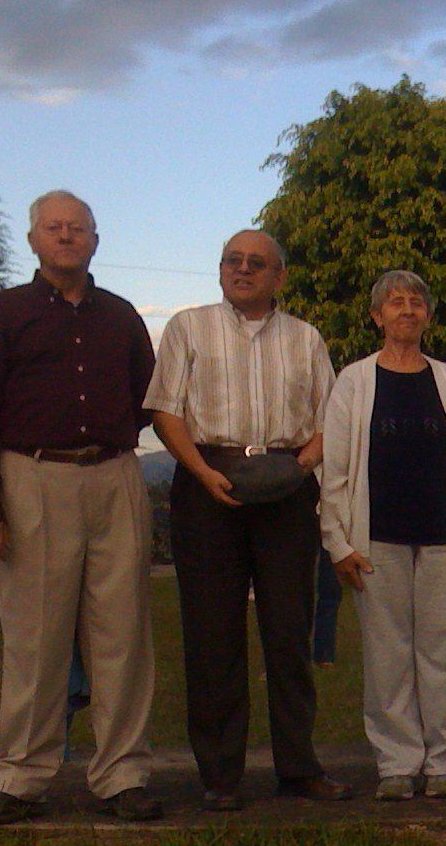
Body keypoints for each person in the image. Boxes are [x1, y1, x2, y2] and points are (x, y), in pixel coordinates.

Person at [0, 189, 161, 825]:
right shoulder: (4, 313)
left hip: (113, 476)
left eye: (78, 227)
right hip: (33, 478)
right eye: (54, 227)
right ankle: (21, 778)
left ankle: (123, 776)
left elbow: (147, 399)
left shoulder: (121, 317)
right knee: (35, 638)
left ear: (95, 240)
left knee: (123, 635)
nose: (67, 236)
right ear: (34, 240)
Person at [145, 229, 351, 810]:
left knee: (289, 633)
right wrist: (201, 472)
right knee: (212, 638)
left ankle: (299, 769)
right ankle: (220, 777)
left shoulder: (305, 338)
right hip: (208, 483)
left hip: (286, 488)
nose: (242, 269)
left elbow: (329, 416)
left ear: (278, 276)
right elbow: (165, 411)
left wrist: (300, 467)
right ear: (220, 270)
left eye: (256, 263)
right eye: (232, 260)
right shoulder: (188, 328)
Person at [320, 270, 446, 800]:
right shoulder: (354, 381)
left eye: (416, 302)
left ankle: (444, 763)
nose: (407, 310)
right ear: (377, 316)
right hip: (376, 540)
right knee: (387, 655)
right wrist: (338, 541)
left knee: (444, 654)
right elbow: (335, 470)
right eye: (395, 302)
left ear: (428, 315)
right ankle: (396, 764)